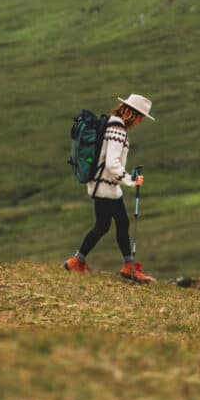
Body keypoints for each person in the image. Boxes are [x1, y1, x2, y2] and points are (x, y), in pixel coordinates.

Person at [64, 94, 156, 283]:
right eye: (140, 117)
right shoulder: (118, 129)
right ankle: (126, 267)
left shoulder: (111, 123)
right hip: (106, 186)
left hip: (102, 185)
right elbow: (112, 163)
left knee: (108, 225)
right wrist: (130, 180)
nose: (139, 122)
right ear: (133, 114)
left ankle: (79, 261)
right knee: (114, 224)